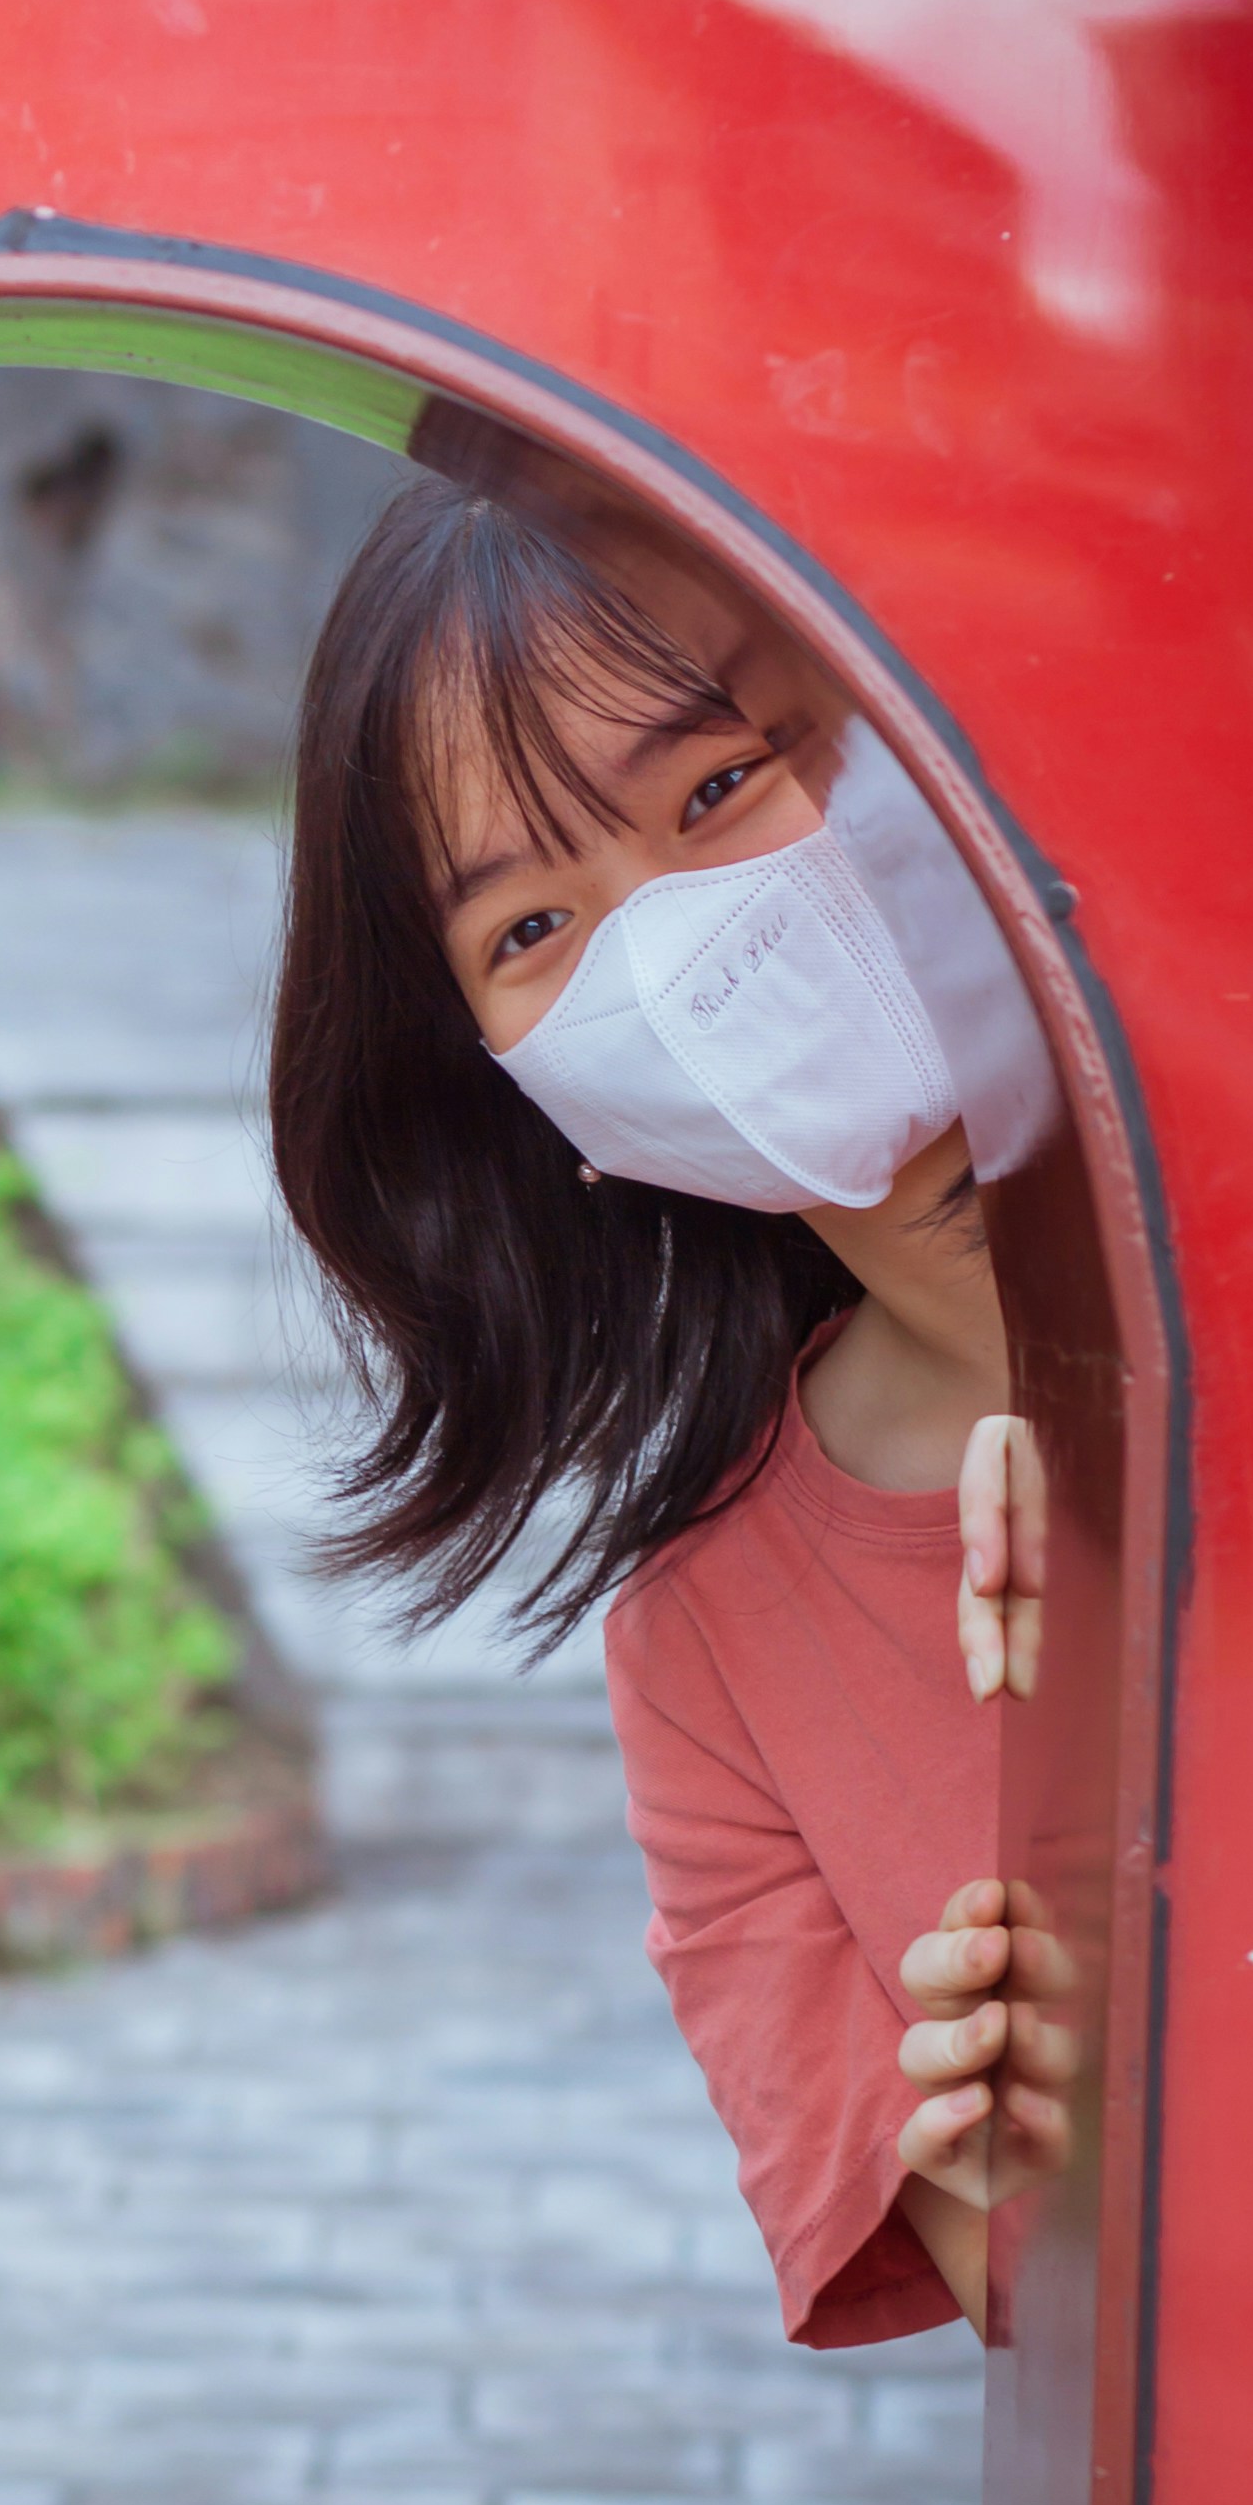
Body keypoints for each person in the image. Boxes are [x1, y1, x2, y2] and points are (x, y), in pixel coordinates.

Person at [267, 421, 1068, 2357]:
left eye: (720, 785)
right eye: (533, 929)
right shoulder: (714, 1649)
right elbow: (1053, 2314)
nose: (673, 949)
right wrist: (1086, 2115)